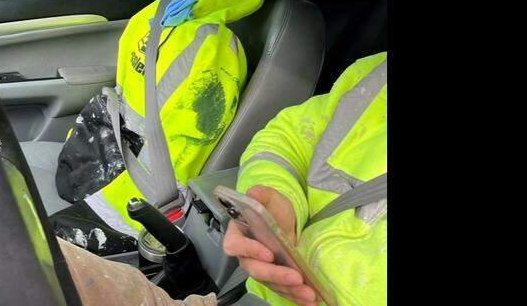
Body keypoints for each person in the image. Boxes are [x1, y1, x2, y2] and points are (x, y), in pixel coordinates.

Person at [57, 52, 388, 306]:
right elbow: (286, 138)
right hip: (252, 296)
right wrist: (275, 193)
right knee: (35, 261)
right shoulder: (376, 73)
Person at [50, 0, 269, 255]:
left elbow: (186, 146)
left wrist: (137, 205)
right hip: (112, 151)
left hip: (140, 177)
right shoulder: (159, 15)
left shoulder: (217, 50)